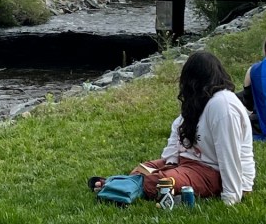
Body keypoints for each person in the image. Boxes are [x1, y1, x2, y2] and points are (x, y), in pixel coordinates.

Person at [91, 51, 254, 205]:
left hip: (212, 170)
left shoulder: (222, 105)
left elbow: (229, 154)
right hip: (189, 163)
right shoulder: (199, 101)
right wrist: (170, 163)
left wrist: (232, 196)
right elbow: (177, 134)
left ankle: (113, 186)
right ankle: (119, 185)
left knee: (159, 182)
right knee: (142, 170)